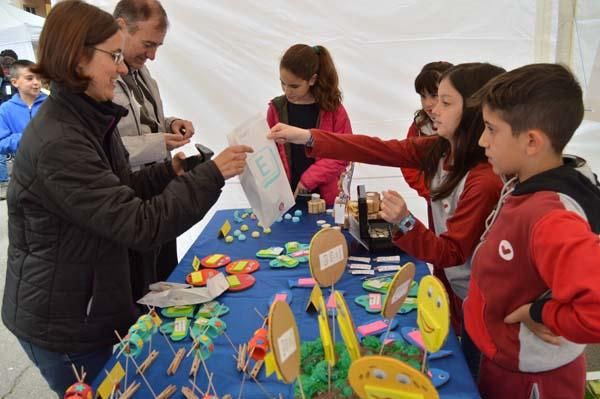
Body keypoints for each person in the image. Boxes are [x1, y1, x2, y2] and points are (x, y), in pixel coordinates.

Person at [0, 1, 252, 393]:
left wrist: (171, 171)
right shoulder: (60, 140)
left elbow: (121, 189)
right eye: (113, 56)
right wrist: (213, 174)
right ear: (79, 56)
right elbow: (138, 224)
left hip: (89, 305)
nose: (122, 68)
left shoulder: (89, 118)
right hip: (67, 324)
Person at [268, 62, 505, 369]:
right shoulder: (442, 148)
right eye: (431, 99)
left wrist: (405, 221)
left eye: (445, 102)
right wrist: (309, 137)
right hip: (462, 291)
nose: (433, 109)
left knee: (478, 368)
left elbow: (451, 252)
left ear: (475, 111)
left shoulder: (482, 180)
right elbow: (378, 148)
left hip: (484, 301)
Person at [464, 63, 600, 399]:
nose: (482, 140)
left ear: (531, 141)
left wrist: (539, 312)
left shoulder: (550, 215)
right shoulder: (528, 184)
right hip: (506, 360)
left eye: (492, 129)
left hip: (533, 379)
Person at [112, 0, 194, 285]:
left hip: (158, 189)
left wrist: (170, 124)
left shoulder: (140, 71)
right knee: (142, 281)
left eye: (157, 46)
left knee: (164, 272)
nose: (153, 55)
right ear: (122, 27)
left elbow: (142, 117)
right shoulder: (101, 80)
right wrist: (159, 142)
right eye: (148, 44)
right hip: (130, 197)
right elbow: (107, 146)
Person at [266, 43, 352, 206]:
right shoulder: (276, 110)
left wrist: (308, 180)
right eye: (282, 83)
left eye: (294, 86)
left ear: (312, 80)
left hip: (326, 200)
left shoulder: (334, 110)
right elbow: (270, 153)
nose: (286, 91)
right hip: (287, 200)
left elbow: (344, 154)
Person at [0, 60, 47, 200]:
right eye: (30, 78)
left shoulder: (51, 104)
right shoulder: (5, 110)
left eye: (39, 78)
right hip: (26, 173)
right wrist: (27, 136)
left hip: (57, 168)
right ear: (15, 82)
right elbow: (1, 142)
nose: (36, 82)